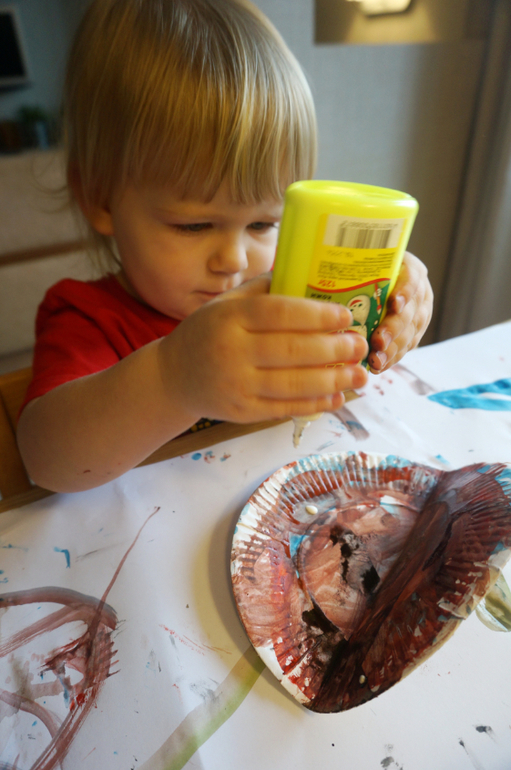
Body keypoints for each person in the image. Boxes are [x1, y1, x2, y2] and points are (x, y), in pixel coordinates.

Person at [17, 0, 433, 493]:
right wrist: (172, 379)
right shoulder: (88, 319)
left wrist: (394, 290)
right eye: (194, 225)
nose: (234, 260)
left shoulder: (284, 294)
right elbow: (47, 462)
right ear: (98, 198)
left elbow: (351, 335)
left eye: (263, 223)